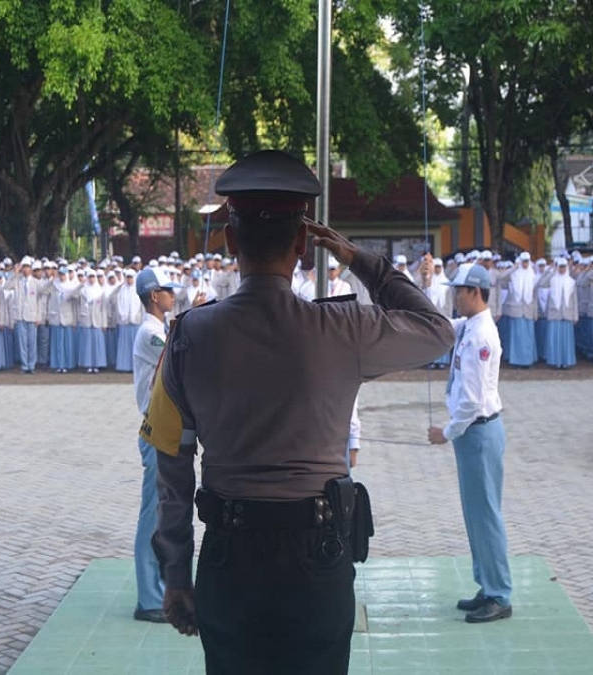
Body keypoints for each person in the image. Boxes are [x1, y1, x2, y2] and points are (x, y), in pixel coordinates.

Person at [142, 150, 454, 675]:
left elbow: (171, 466)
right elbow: (437, 331)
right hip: (317, 558)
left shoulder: (190, 335)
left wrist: (176, 575)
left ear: (230, 240)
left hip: (229, 558)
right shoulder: (343, 329)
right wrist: (358, 258)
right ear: (304, 244)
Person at [428, 262, 512, 624]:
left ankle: (499, 594)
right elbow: (440, 324)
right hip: (473, 433)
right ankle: (487, 585)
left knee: (486, 516)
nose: (455, 298)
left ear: (475, 292)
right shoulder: (469, 325)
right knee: (475, 516)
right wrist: (426, 283)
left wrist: (446, 433)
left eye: (459, 292)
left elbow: (473, 402)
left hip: (477, 431)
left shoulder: (480, 336)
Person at [130, 266, 183, 623]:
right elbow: (178, 360)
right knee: (152, 516)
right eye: (167, 290)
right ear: (153, 295)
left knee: (164, 514)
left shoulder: (158, 330)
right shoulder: (150, 333)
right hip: (156, 430)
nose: (172, 295)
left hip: (166, 429)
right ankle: (148, 599)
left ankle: (160, 589)